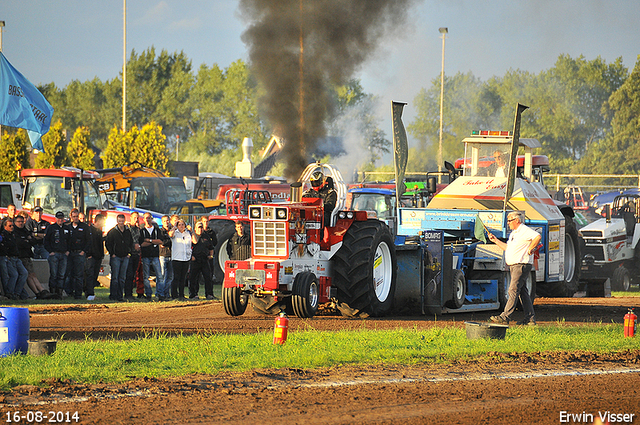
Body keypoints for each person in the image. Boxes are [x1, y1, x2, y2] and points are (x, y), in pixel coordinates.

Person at [488, 211, 541, 326]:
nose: (508, 223)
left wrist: (531, 248)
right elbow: (507, 248)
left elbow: (537, 236)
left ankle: (505, 316)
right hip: (515, 265)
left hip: (521, 265)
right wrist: (495, 240)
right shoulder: (514, 234)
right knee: (522, 292)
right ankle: (530, 319)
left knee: (513, 290)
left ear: (517, 220)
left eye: (510, 220)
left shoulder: (524, 230)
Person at [14, 213, 56, 299]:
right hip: (20, 256)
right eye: (18, 222)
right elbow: (19, 243)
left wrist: (27, 241)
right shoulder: (15, 231)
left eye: (22, 222)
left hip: (27, 255)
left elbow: (33, 241)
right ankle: (38, 292)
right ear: (15, 222)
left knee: (32, 274)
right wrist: (27, 241)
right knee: (28, 275)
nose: (21, 223)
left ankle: (42, 291)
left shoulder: (25, 230)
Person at [106, 214, 133, 302]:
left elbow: (131, 243)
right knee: (115, 277)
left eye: (122, 221)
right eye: (119, 221)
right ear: (117, 221)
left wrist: (129, 253)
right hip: (116, 257)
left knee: (122, 278)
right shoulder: (112, 232)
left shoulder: (128, 231)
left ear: (124, 221)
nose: (121, 223)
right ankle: (113, 295)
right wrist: (112, 253)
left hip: (125, 256)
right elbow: (108, 243)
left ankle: (120, 296)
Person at [139, 212, 165, 300]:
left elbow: (160, 241)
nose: (147, 219)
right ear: (143, 219)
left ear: (151, 219)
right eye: (146, 218)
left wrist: (149, 240)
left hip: (155, 255)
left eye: (149, 218)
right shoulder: (142, 231)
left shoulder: (157, 230)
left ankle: (160, 294)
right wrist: (153, 241)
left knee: (159, 276)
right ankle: (148, 294)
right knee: (146, 276)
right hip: (145, 255)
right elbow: (142, 244)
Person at [0, 218, 29, 299]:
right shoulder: (3, 235)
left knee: (24, 273)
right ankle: (10, 293)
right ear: (5, 226)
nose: (12, 227)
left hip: (17, 257)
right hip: (9, 258)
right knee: (14, 275)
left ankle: (17, 293)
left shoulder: (13, 235)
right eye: (10, 226)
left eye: (12, 225)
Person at [44, 211, 70, 298]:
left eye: (61, 218)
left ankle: (59, 293)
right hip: (54, 254)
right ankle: (53, 292)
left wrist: (68, 251)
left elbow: (70, 241)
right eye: (58, 218)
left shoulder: (67, 228)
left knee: (62, 275)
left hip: (64, 254)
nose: (60, 220)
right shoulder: (51, 228)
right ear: (56, 219)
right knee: (54, 274)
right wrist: (50, 251)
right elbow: (46, 240)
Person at [67, 208, 91, 299]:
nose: (75, 218)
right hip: (70, 254)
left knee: (79, 275)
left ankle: (78, 294)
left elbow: (89, 241)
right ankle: (69, 292)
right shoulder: (68, 227)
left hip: (79, 253)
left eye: (77, 216)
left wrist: (84, 251)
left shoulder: (84, 227)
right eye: (74, 217)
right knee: (69, 274)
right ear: (71, 217)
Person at [189, 221, 215, 300]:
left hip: (204, 259)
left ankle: (209, 294)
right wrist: (191, 256)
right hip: (195, 259)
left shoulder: (206, 236)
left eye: (201, 228)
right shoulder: (192, 236)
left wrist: (211, 255)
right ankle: (193, 295)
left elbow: (211, 247)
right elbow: (187, 248)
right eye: (198, 228)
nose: (200, 229)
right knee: (193, 278)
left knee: (208, 277)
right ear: (195, 228)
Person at [168, 219, 192, 300]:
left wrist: (191, 230)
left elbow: (194, 241)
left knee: (183, 278)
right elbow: (170, 234)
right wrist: (174, 227)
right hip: (177, 258)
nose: (181, 226)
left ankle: (181, 295)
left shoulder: (188, 233)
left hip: (185, 258)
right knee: (176, 277)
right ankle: (174, 295)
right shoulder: (175, 233)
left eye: (183, 224)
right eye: (179, 225)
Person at [85, 214, 106, 301]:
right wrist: (88, 254)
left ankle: (91, 293)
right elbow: (88, 243)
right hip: (91, 257)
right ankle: (89, 293)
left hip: (98, 256)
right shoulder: (90, 230)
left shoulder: (99, 231)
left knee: (95, 276)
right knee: (90, 275)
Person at [125, 212, 143, 300]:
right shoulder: (127, 228)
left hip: (136, 254)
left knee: (133, 275)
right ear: (131, 218)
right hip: (129, 254)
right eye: (135, 217)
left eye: (137, 217)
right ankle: (127, 294)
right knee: (128, 274)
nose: (136, 219)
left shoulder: (138, 229)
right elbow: (127, 240)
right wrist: (133, 246)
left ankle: (131, 293)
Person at [158, 215, 174, 301]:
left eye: (167, 221)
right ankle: (160, 294)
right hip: (163, 256)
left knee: (170, 277)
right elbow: (162, 243)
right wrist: (169, 238)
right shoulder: (160, 231)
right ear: (162, 222)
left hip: (171, 256)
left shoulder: (173, 231)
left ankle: (167, 293)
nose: (166, 222)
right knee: (162, 276)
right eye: (164, 221)